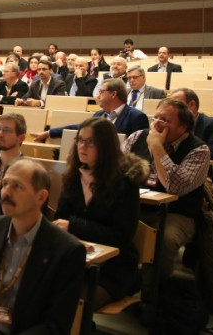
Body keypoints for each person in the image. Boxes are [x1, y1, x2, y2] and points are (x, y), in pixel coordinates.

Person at [0, 159, 86, 334]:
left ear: (41, 197)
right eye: (5, 184)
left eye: (17, 186)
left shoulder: (66, 250)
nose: (6, 192)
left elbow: (55, 325)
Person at [54, 118, 148, 309]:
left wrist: (73, 225)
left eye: (91, 142)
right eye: (80, 140)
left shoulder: (125, 182)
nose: (82, 146)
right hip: (76, 259)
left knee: (70, 300)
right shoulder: (73, 175)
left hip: (113, 268)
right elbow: (59, 220)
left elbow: (121, 236)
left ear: (106, 146)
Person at [122, 99, 210, 278]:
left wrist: (157, 147)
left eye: (165, 120)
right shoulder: (137, 136)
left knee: (164, 238)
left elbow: (174, 188)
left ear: (183, 127)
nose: (157, 124)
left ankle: (154, 289)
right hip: (137, 206)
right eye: (155, 118)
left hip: (177, 213)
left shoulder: (199, 150)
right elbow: (118, 170)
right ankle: (123, 279)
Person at [170, 88, 213, 228]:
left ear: (192, 104)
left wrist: (191, 153)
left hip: (210, 174)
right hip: (178, 171)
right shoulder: (171, 123)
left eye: (177, 104)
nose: (172, 107)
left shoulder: (212, 123)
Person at [34, 78, 149, 142]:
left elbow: (139, 150)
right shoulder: (99, 114)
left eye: (101, 92)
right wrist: (48, 133)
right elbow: (79, 127)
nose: (97, 96)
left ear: (113, 94)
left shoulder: (137, 117)